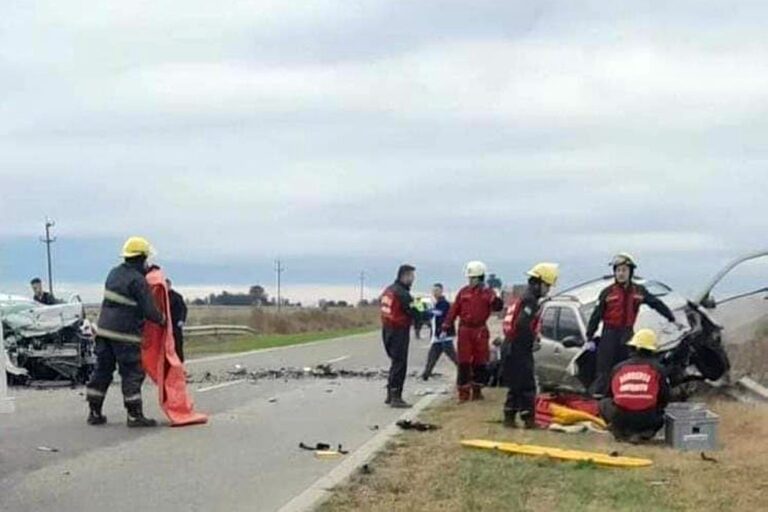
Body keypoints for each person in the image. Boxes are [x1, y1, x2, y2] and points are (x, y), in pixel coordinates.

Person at [86, 236, 166, 427]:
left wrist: (146, 272)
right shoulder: (138, 281)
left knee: (102, 371)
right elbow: (149, 310)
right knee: (132, 372)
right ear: (142, 257)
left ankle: (94, 412)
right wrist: (163, 320)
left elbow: (126, 284)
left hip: (104, 332)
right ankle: (134, 415)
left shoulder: (113, 273)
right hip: (125, 335)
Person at [586, 253, 681, 396]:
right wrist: (589, 336)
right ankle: (599, 403)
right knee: (604, 373)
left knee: (626, 370)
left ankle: (625, 400)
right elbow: (596, 316)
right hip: (609, 335)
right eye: (618, 270)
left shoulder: (639, 291)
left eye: (624, 270)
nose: (621, 274)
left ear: (630, 272)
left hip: (628, 334)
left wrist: (671, 318)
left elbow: (656, 303)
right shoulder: (607, 293)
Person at [502, 263, 559, 429]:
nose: (548, 290)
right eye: (547, 285)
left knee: (515, 385)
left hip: (511, 346)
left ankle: (509, 416)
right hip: (519, 348)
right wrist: (531, 341)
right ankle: (528, 419)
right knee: (527, 385)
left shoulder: (524, 297)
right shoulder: (530, 301)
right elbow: (522, 325)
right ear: (538, 283)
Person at [443, 261, 504, 402]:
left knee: (480, 361)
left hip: (480, 330)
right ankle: (463, 393)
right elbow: (454, 309)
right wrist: (447, 324)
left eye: (473, 278)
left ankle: (477, 390)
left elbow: (498, 307)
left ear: (480, 278)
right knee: (463, 361)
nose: (470, 281)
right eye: (469, 278)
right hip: (465, 330)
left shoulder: (488, 293)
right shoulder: (463, 292)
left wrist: (495, 296)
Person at [599, 329, 670, 443]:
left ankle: (620, 431)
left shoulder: (618, 368)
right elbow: (665, 397)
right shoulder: (658, 369)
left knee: (603, 403)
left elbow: (609, 394)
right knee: (660, 413)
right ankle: (642, 433)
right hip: (648, 419)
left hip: (621, 417)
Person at [380, 264, 421, 408]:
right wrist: (427, 314)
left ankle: (390, 394)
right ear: (404, 276)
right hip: (398, 330)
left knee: (395, 362)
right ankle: (396, 396)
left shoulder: (388, 290)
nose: (413, 279)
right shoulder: (402, 293)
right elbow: (415, 311)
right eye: (411, 276)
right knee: (400, 364)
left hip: (387, 329)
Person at [421, 283, 458, 381]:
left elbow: (439, 313)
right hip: (437, 336)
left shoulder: (444, 303)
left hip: (444, 334)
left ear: (441, 291)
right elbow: (431, 317)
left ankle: (464, 371)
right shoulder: (436, 304)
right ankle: (426, 374)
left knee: (453, 356)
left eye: (437, 290)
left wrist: (428, 309)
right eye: (434, 291)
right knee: (432, 356)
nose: (435, 292)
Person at [167, 279, 188, 363]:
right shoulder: (160, 296)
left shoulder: (176, 296)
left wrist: (181, 320)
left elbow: (183, 309)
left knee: (177, 345)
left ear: (169, 285)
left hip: (175, 325)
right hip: (165, 325)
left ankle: (180, 365)